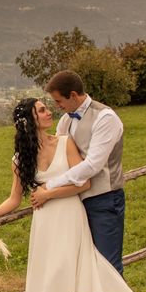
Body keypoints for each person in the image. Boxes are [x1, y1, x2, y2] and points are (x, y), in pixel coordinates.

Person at [0, 97, 145, 292]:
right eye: (42, 110)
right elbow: (14, 199)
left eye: (48, 107)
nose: (49, 112)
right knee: (50, 275)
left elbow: (84, 183)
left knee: (68, 268)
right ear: (30, 119)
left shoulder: (65, 142)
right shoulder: (20, 159)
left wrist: (48, 193)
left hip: (70, 215)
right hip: (45, 223)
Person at [44, 70, 126, 275]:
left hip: (104, 199)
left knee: (108, 266)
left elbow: (92, 165)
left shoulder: (105, 117)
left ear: (73, 95)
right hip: (74, 203)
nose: (57, 106)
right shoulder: (65, 121)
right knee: (83, 266)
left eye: (58, 100)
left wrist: (50, 186)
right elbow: (59, 155)